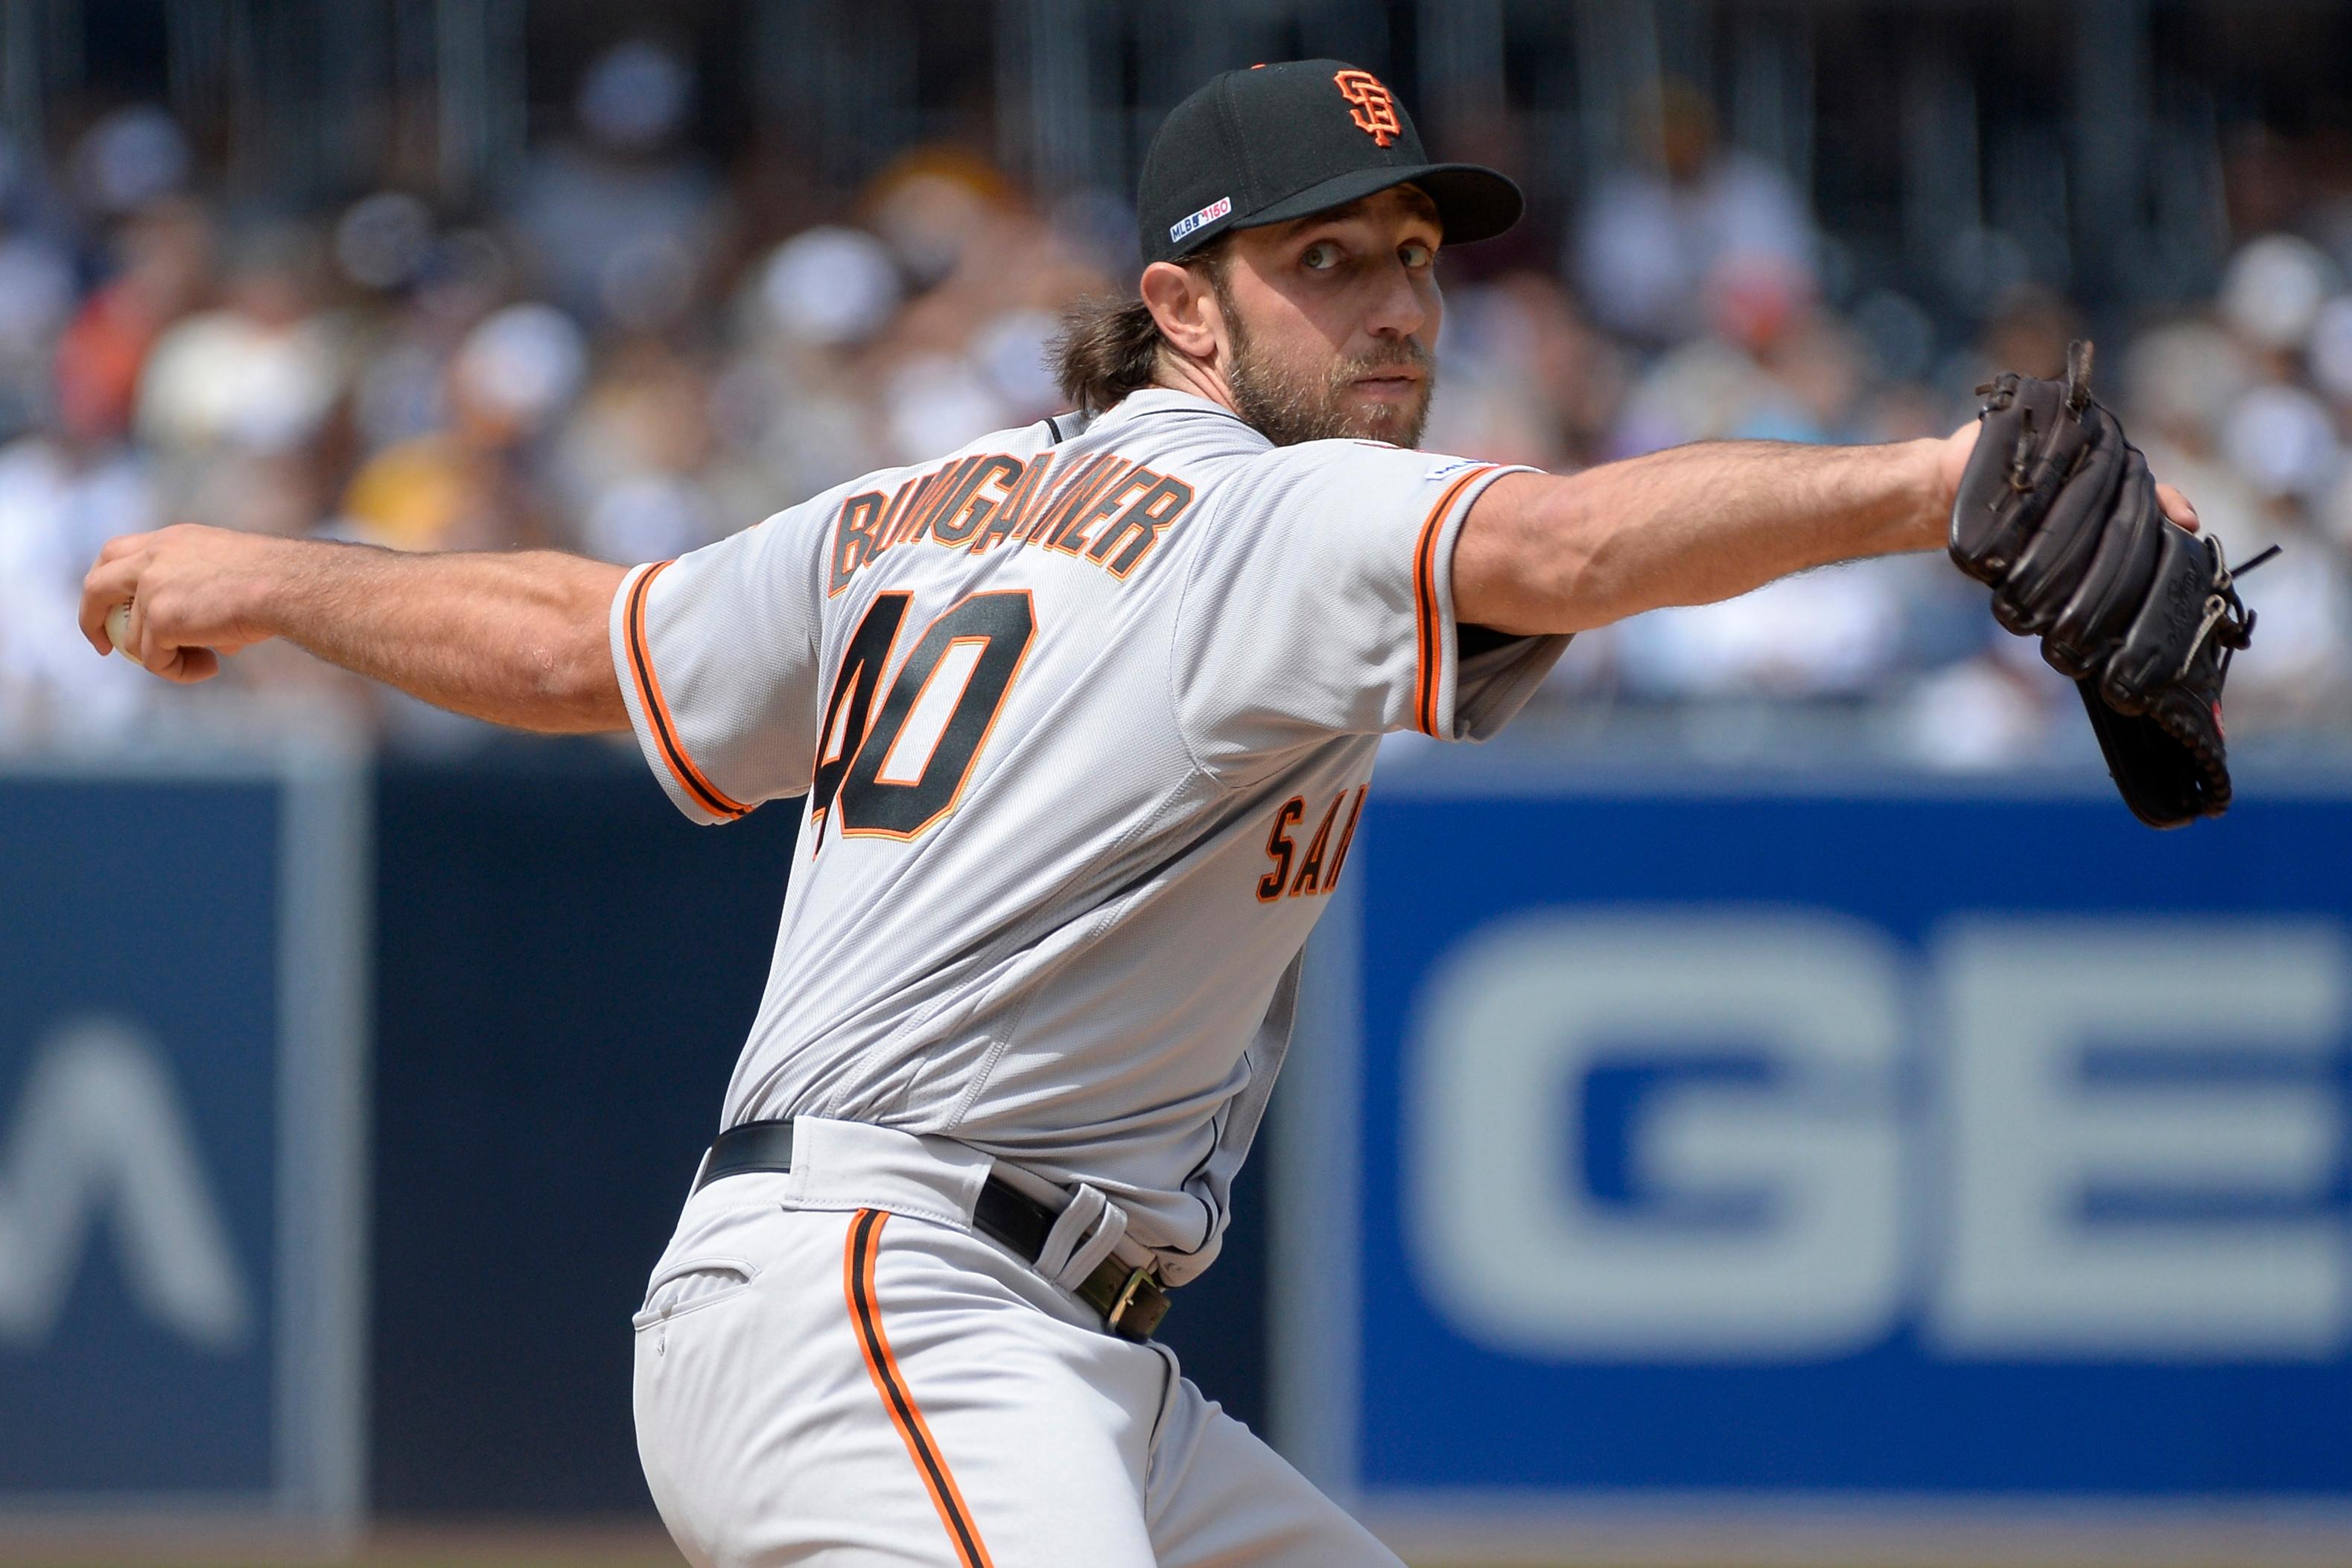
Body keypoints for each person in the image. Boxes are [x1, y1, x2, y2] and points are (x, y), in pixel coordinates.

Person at [78, 61, 2197, 1568]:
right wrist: (1926, 483)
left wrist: (273, 576)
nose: (1393, 303)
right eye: (1327, 260)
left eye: (1415, 260)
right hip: (892, 1295)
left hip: (1035, 1351)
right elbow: (1559, 545)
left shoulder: (923, 514)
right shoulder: (1262, 509)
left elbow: (593, 641)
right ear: (1183, 309)